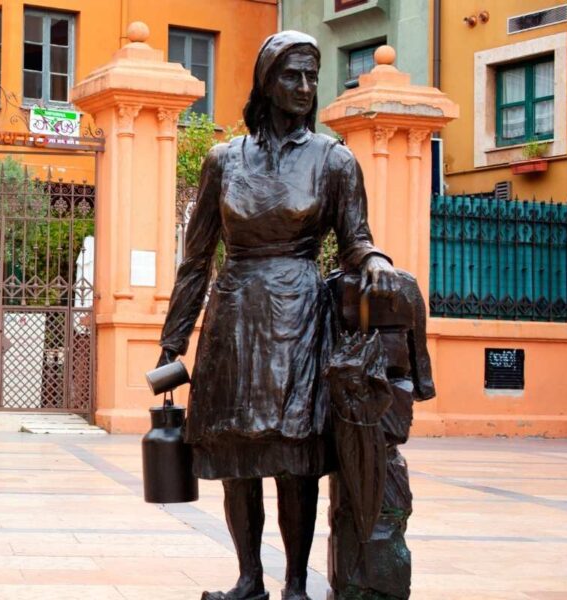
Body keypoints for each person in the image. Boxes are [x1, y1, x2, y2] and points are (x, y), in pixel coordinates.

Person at [155, 31, 401, 600]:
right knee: (237, 453)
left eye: (312, 77)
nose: (305, 87)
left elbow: (356, 239)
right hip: (234, 317)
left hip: (299, 315)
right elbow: (195, 259)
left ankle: (294, 583)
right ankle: (249, 579)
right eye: (293, 75)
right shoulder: (224, 160)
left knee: (294, 456)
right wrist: (174, 341)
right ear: (267, 81)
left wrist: (376, 259)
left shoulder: (334, 159)